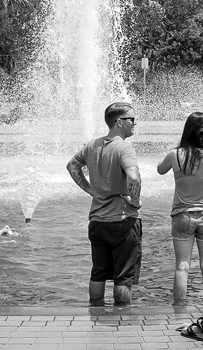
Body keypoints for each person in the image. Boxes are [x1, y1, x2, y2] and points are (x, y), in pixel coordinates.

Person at [66, 102, 142, 305]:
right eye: (132, 120)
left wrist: (91, 190)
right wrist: (134, 200)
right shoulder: (124, 148)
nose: (135, 124)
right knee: (123, 277)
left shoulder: (92, 145)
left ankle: (96, 312)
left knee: (98, 273)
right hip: (122, 221)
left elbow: (72, 166)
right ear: (119, 122)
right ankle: (121, 316)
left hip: (97, 221)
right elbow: (133, 176)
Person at [156, 112, 203, 305]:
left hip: (182, 216)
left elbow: (160, 169)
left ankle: (179, 309)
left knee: (182, 266)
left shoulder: (176, 155)